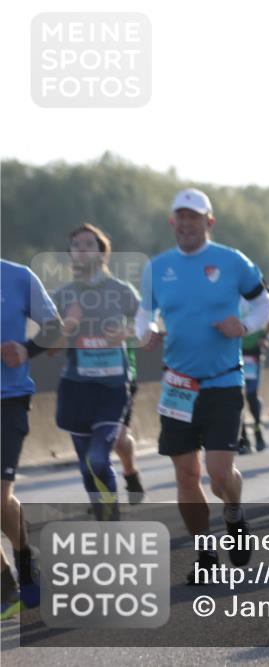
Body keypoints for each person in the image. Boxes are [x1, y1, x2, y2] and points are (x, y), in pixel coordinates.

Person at [136, 188, 269, 584]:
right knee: (184, 475)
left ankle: (233, 510)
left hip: (223, 381)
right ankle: (204, 553)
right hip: (178, 384)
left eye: (193, 217)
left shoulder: (232, 262)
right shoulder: (157, 268)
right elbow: (143, 314)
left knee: (218, 473)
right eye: (179, 216)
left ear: (208, 222)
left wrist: (244, 325)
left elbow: (265, 304)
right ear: (172, 222)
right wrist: (144, 330)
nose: (185, 223)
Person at [51, 224, 141, 521]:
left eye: (89, 244)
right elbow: (49, 347)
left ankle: (111, 514)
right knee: (86, 463)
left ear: (103, 253)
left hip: (112, 387)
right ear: (71, 256)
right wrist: (68, 327)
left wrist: (126, 332)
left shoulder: (122, 291)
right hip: (76, 388)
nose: (82, 250)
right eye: (76, 246)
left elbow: (148, 329)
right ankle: (105, 512)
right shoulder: (62, 295)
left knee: (98, 457)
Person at [1, 260, 62, 619]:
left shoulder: (18, 276)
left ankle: (25, 556)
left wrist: (27, 349)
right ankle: (5, 582)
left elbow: (54, 328)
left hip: (8, 399)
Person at [237, 297, 269, 454]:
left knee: (251, 395)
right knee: (236, 397)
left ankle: (258, 429)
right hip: (233, 352)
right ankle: (243, 436)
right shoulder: (226, 290)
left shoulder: (256, 291)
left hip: (253, 354)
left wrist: (266, 338)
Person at [115, 345, 146, 504]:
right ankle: (103, 496)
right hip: (87, 381)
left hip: (123, 378)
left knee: (119, 439)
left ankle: (130, 473)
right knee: (94, 442)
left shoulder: (124, 318)